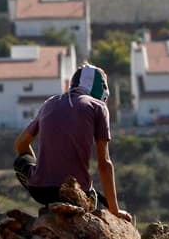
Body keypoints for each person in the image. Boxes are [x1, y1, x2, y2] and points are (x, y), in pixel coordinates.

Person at [13, 64, 132, 222]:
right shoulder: (98, 107)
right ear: (101, 87)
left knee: (21, 162)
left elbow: (21, 145)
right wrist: (115, 210)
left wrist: (41, 171)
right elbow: (104, 164)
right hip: (75, 195)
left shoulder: (49, 103)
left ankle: (50, 207)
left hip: (40, 191)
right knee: (92, 194)